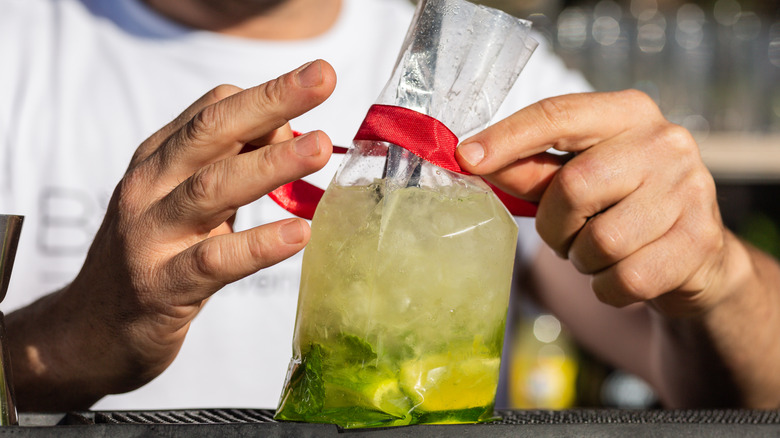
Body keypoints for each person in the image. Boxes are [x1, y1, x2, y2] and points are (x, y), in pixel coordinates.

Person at [2, 0, 779, 412]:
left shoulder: (480, 73)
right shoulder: (18, 44)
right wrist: (65, 345)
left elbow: (722, 379)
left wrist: (720, 282)